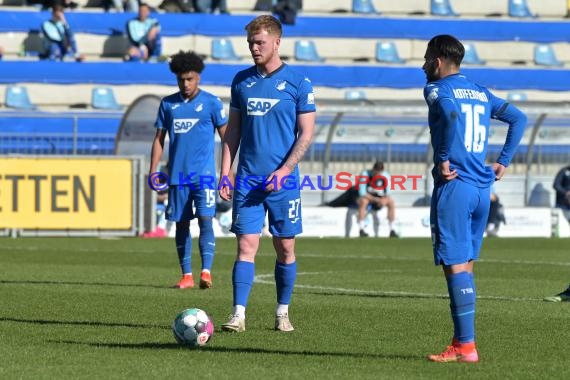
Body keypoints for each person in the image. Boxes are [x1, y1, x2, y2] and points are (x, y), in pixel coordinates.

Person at [422, 35, 526, 363]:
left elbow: (451, 115)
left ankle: (467, 347)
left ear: (438, 60)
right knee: (465, 266)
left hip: (456, 187)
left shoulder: (437, 89)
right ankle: (461, 342)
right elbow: (519, 118)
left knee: (454, 267)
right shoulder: (481, 91)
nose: (423, 64)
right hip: (483, 188)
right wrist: (504, 160)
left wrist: (441, 158)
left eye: (426, 58)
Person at [218, 15, 316, 333]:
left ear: (277, 42)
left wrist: (285, 170)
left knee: (285, 247)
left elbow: (306, 133)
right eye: (250, 43)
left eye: (259, 42)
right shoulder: (241, 81)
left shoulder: (299, 84)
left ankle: (282, 312)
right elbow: (232, 132)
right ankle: (238, 313)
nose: (254, 48)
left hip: (283, 181)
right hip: (248, 178)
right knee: (246, 245)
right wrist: (225, 173)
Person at [148, 50, 228, 289]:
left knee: (205, 219)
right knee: (181, 224)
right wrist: (153, 170)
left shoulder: (212, 103)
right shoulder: (168, 104)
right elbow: (159, 139)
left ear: (198, 77)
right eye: (181, 79)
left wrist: (227, 172)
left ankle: (206, 272)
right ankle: (187, 275)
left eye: (190, 78)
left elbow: (227, 139)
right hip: (177, 177)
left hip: (204, 176)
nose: (185, 84)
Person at [356, 160, 399, 238]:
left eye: (379, 173)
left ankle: (392, 229)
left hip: (381, 197)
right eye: (376, 173)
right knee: (363, 201)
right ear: (373, 170)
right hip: (369, 197)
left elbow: (388, 192)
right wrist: (375, 199)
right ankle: (361, 229)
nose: (377, 175)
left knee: (391, 202)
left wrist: (383, 200)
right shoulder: (365, 174)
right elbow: (362, 192)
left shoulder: (386, 176)